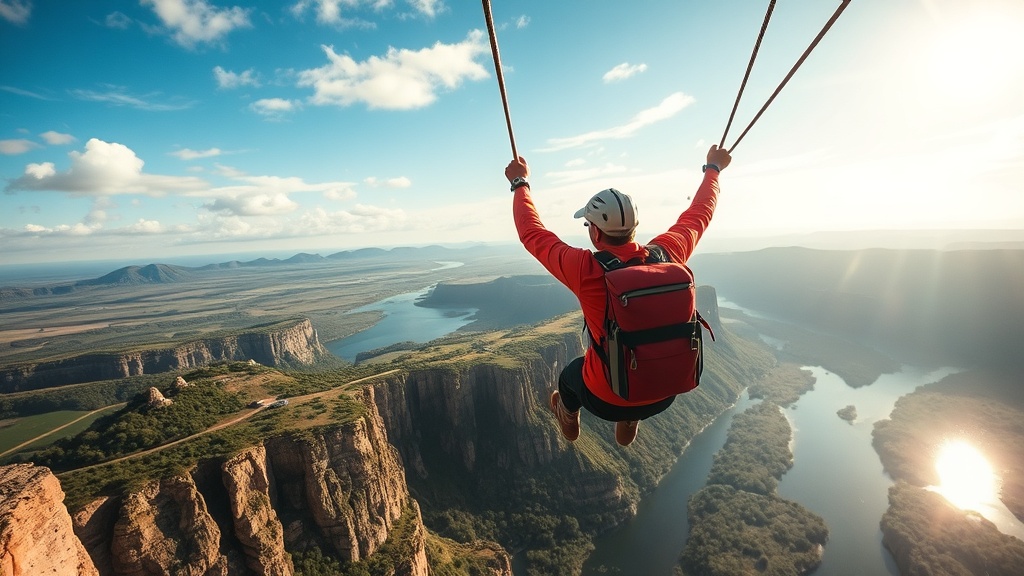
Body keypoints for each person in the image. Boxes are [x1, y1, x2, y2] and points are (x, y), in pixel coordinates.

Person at [505, 144, 732, 446]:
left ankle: (568, 417)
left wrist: (520, 184)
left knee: (569, 379)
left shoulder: (586, 270)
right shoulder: (669, 254)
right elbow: (700, 213)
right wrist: (713, 169)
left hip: (606, 399)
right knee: (639, 350)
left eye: (588, 225)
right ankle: (630, 423)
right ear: (634, 228)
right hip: (664, 394)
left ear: (595, 233)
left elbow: (532, 233)